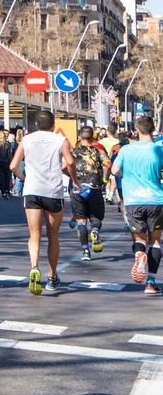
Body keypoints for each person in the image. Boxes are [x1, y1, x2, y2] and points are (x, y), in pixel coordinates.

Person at [10, 110, 77, 295]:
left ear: (37, 125)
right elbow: (70, 161)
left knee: (34, 234)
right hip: (53, 191)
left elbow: (13, 166)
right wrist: (74, 179)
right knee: (53, 235)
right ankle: (52, 277)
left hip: (32, 190)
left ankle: (34, 267)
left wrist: (23, 178)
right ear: (53, 124)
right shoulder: (59, 140)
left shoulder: (26, 139)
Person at [111, 116, 163, 294]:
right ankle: (150, 282)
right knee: (155, 241)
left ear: (137, 130)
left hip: (133, 201)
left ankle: (138, 254)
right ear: (153, 129)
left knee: (140, 239)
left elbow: (114, 170)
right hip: (156, 200)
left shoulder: (126, 150)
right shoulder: (159, 150)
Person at [71, 126, 111, 262]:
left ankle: (85, 251)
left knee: (81, 221)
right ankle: (95, 231)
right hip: (94, 187)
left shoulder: (73, 151)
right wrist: (105, 178)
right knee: (96, 217)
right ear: (92, 137)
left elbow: (64, 166)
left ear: (80, 137)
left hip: (77, 189)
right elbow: (108, 164)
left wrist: (72, 177)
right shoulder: (98, 151)